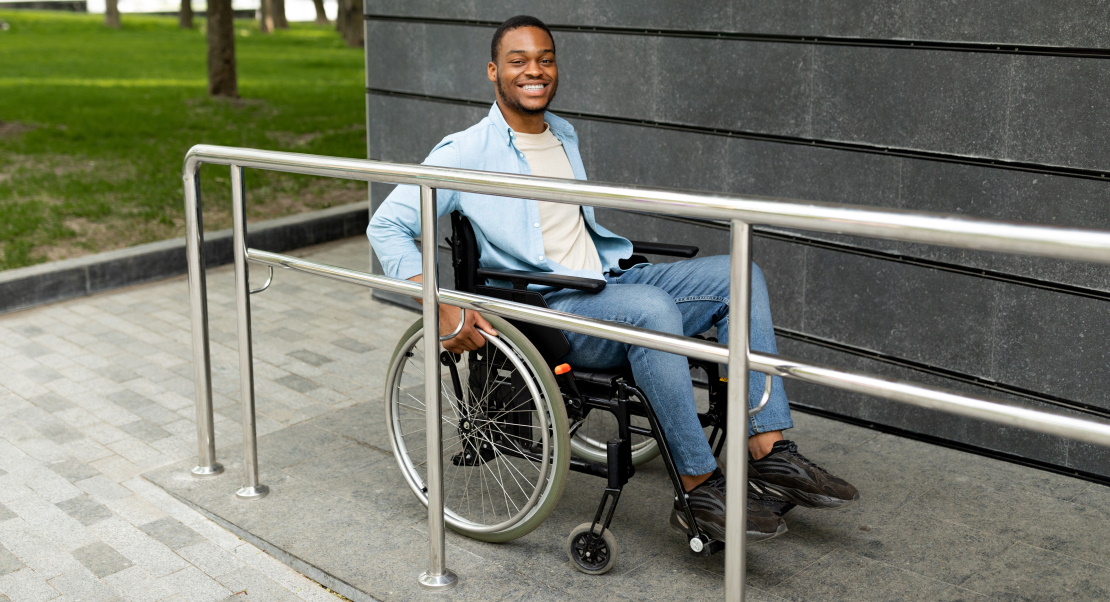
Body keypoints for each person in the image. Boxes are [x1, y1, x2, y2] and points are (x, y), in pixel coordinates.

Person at [369, 15, 858, 543]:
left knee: (739, 274)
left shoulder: (563, 134)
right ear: (493, 71)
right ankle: (699, 489)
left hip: (608, 282)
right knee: (651, 310)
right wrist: (440, 303)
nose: (534, 71)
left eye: (545, 59)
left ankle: (769, 450)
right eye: (518, 61)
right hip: (555, 311)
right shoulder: (465, 151)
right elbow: (388, 225)